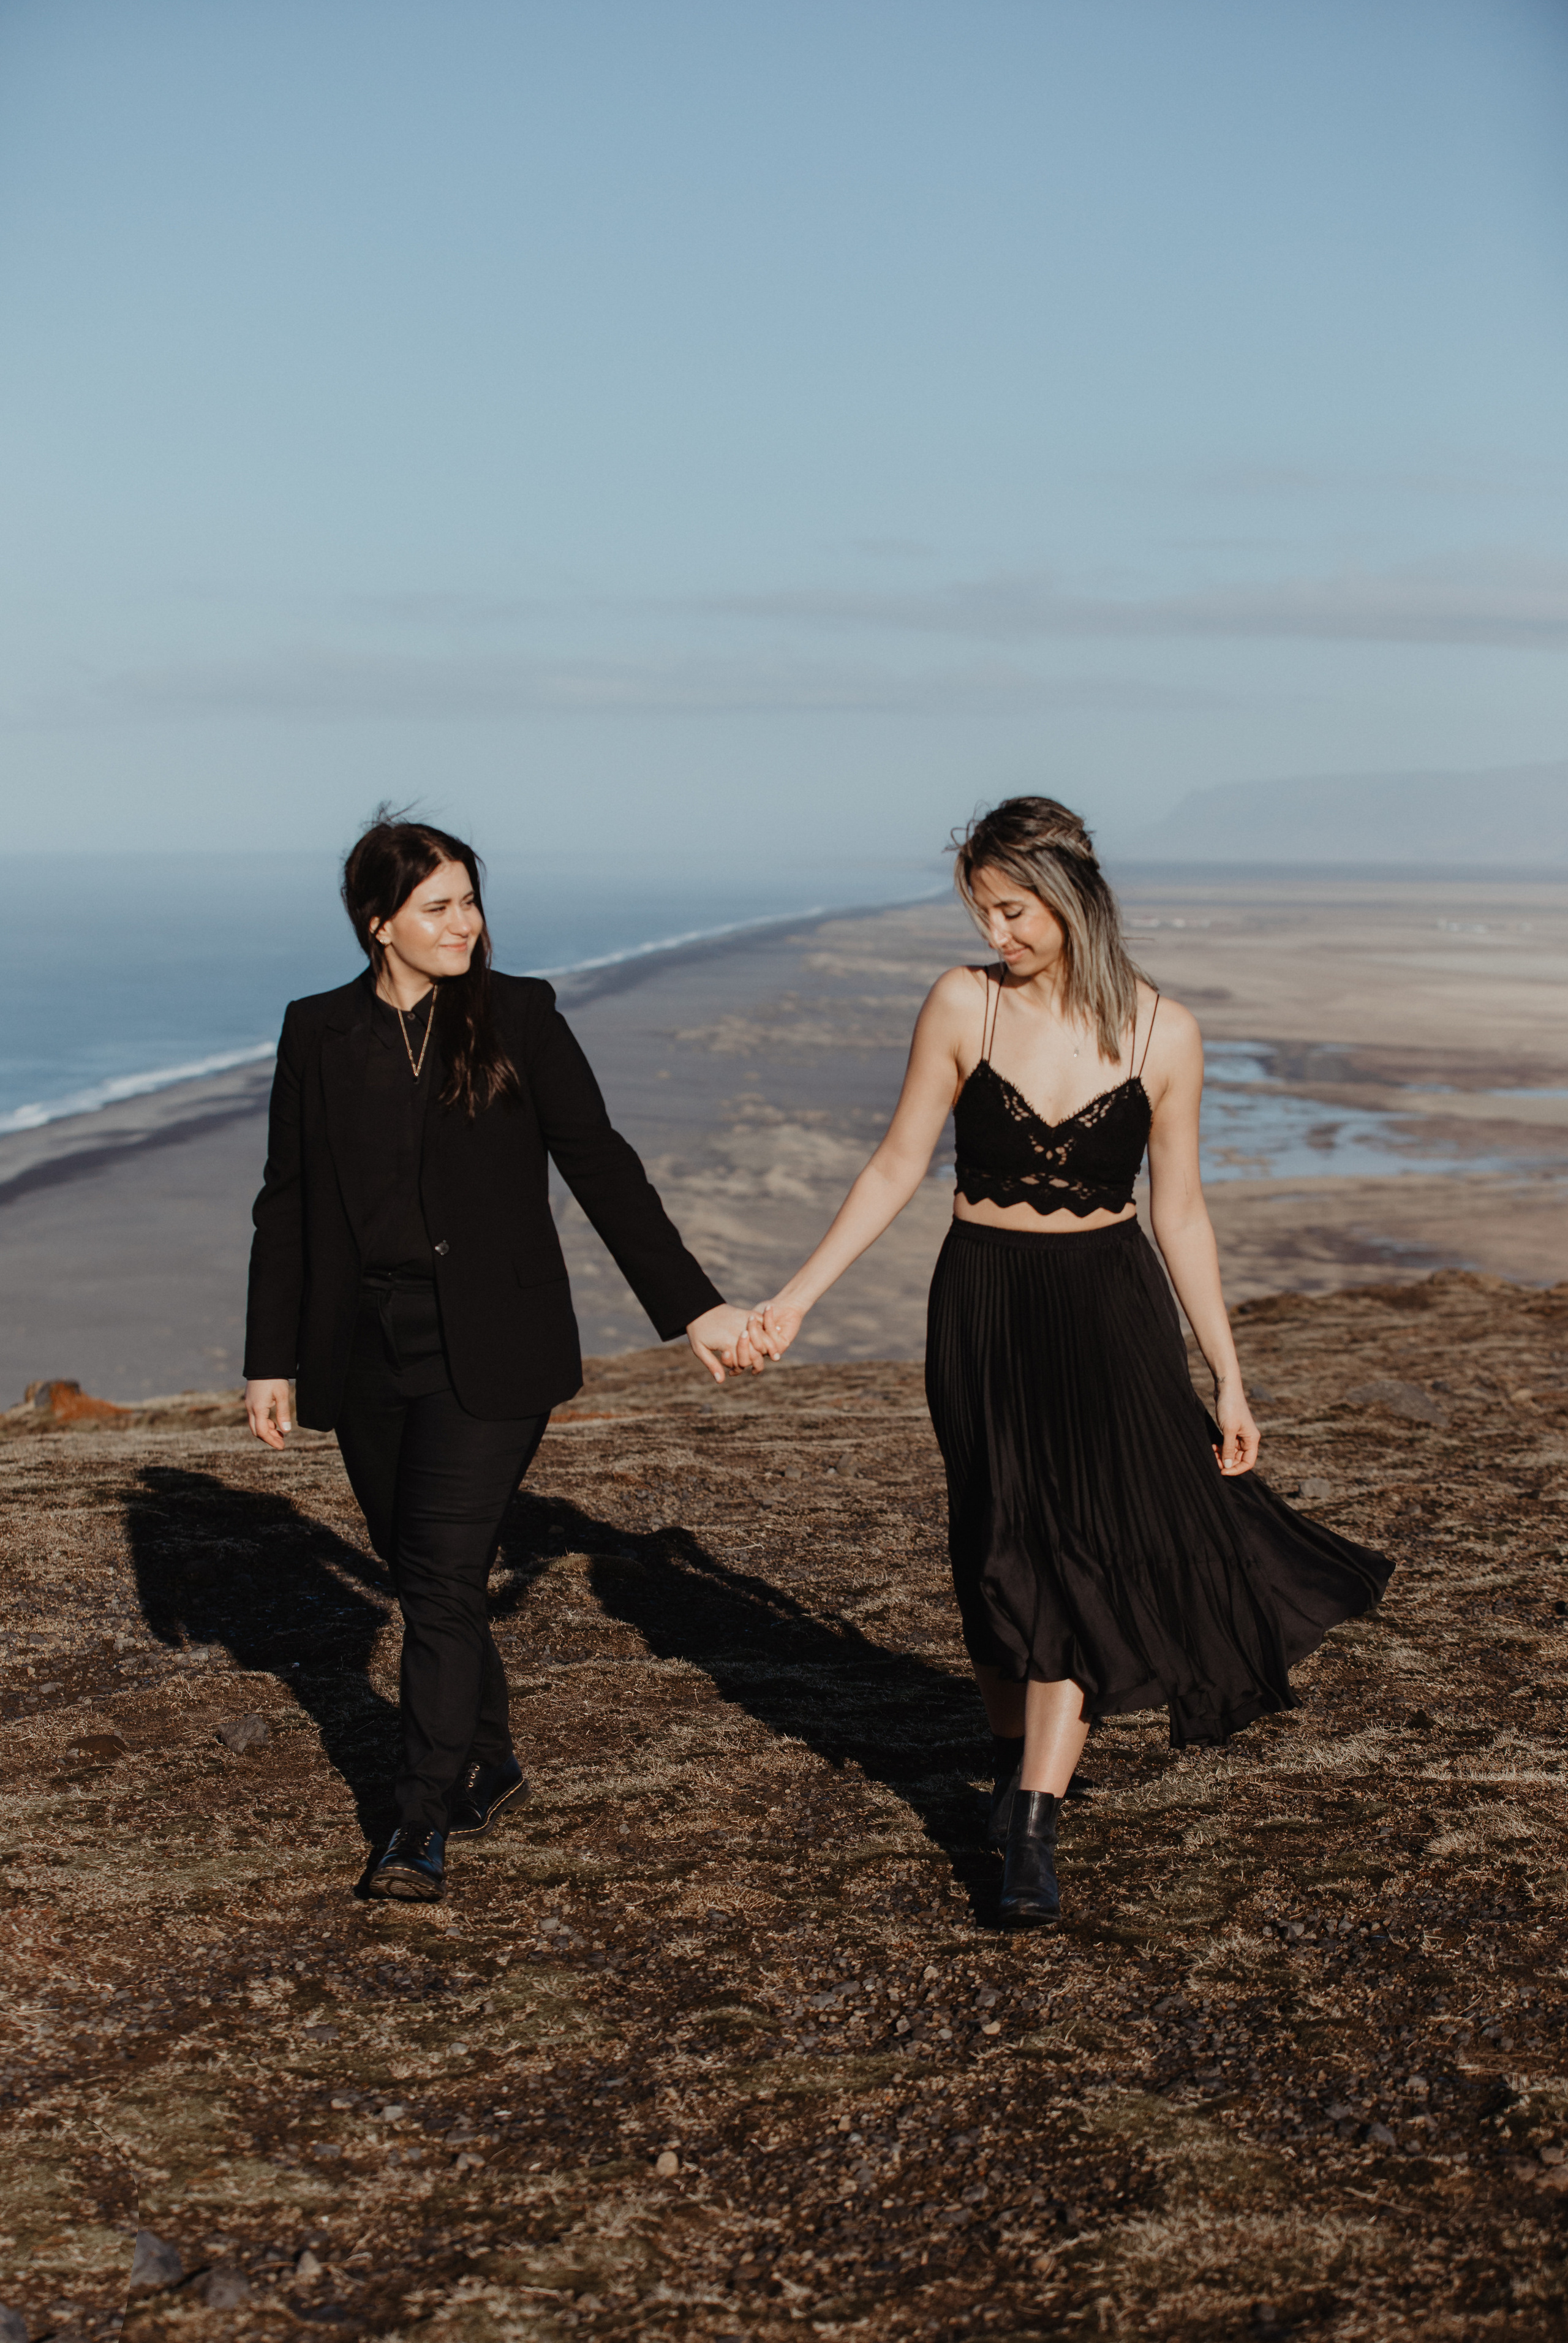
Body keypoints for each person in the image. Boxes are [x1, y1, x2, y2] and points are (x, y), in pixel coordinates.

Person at [749, 798, 1391, 1927]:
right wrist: (796, 1299)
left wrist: (1229, 1376)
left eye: (1014, 909)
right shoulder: (962, 1004)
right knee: (996, 1539)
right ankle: (1016, 1770)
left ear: (1074, 894)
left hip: (1110, 1313)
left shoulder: (1165, 1033)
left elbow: (1181, 1213)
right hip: (984, 1308)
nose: (998, 932)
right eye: (982, 912)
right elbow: (898, 1165)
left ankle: (1033, 1826)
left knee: (1078, 1546)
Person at [243, 814, 760, 1903]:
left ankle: (418, 1818)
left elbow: (601, 1166)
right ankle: (490, 1752)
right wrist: (271, 1358)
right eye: (438, 907)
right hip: (366, 1344)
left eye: (471, 901)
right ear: (378, 924)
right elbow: (285, 1205)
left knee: (435, 1571)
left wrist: (695, 1309)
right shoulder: (316, 1032)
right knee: (420, 1567)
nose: (465, 924)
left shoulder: (520, 1014)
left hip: (494, 1344)